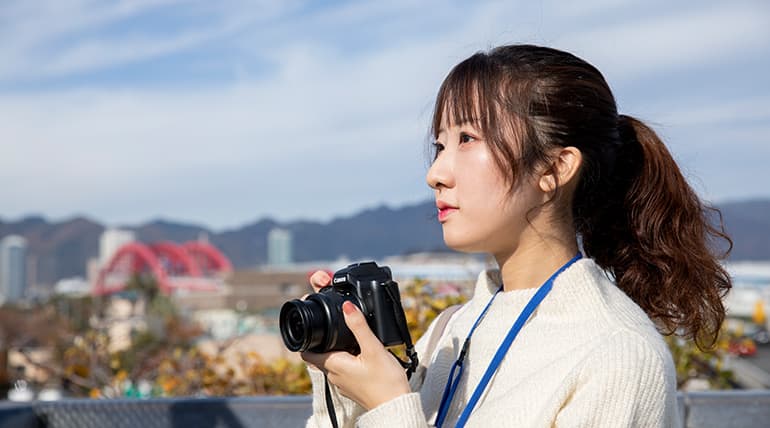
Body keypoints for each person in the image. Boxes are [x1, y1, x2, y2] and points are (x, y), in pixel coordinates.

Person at [300, 44, 732, 427]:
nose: (436, 173)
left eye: (467, 138)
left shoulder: (619, 355)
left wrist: (390, 405)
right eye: (440, 146)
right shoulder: (454, 328)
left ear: (554, 168)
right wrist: (345, 386)